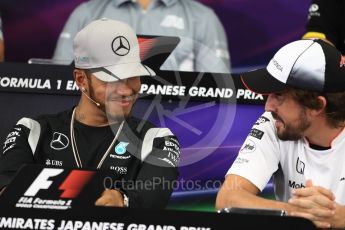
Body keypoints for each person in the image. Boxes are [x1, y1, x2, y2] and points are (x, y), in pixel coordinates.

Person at [0, 18, 180, 209]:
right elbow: (7, 197)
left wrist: (122, 200)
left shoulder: (156, 140)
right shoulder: (32, 132)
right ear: (81, 79)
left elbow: (152, 199)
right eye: (112, 79)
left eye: (133, 76)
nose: (126, 90)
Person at [216, 39, 345, 228]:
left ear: (317, 106)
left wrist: (339, 217)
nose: (268, 107)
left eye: (279, 96)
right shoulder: (273, 124)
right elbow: (227, 199)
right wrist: (297, 213)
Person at [52, 0, 230, 73]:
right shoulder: (86, 13)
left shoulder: (203, 17)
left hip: (172, 118)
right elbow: (58, 79)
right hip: (101, 121)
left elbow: (219, 89)